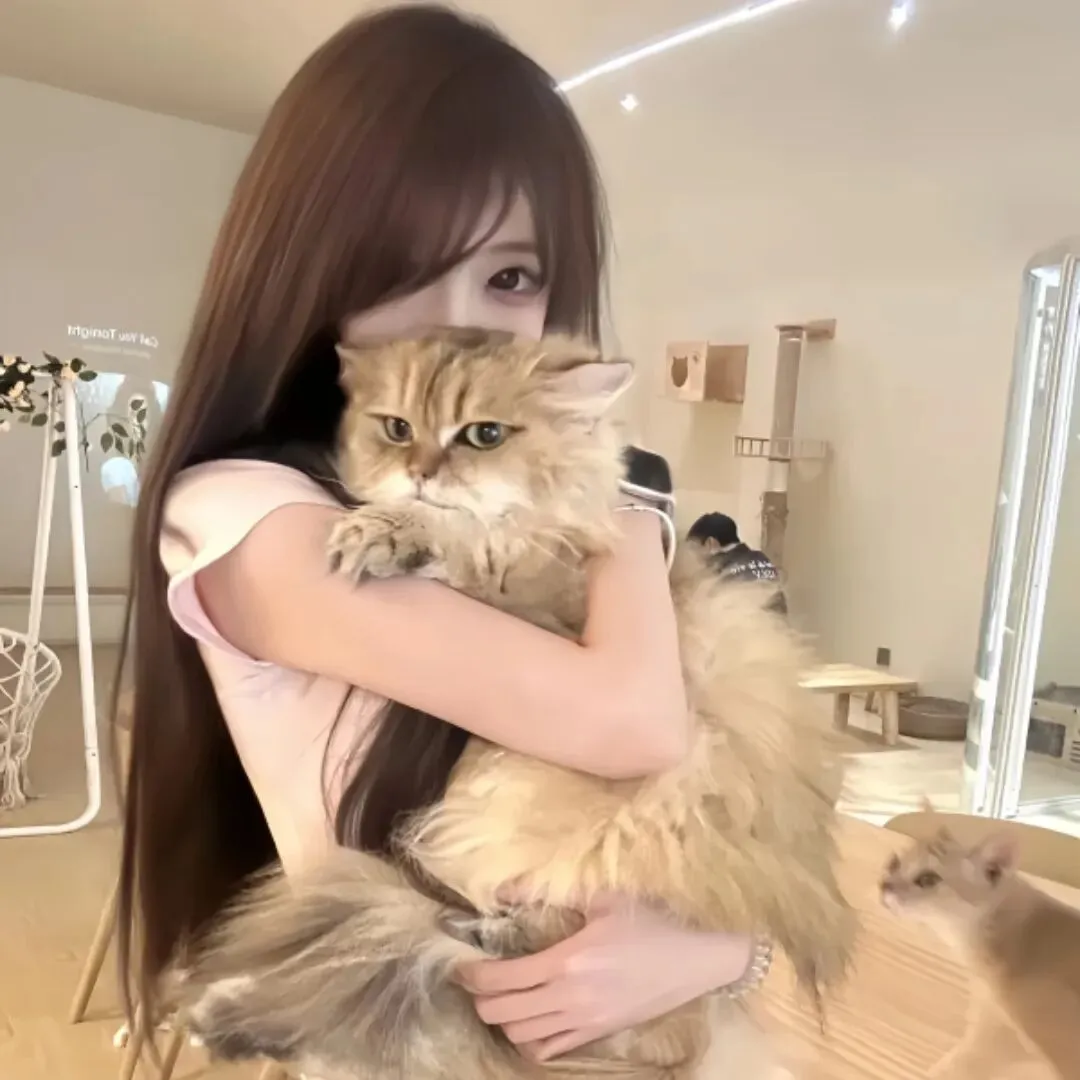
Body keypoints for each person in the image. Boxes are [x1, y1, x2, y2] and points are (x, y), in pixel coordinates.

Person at [116, 4, 760, 1065]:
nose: (457, 323)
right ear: (309, 266)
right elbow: (634, 724)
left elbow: (709, 802)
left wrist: (721, 950)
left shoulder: (535, 503)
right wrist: (626, 501)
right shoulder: (241, 510)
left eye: (510, 278)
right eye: (396, 270)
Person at [688, 512, 788, 615]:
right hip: (779, 623)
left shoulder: (719, 572)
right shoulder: (761, 558)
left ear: (710, 543)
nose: (695, 556)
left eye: (695, 548)